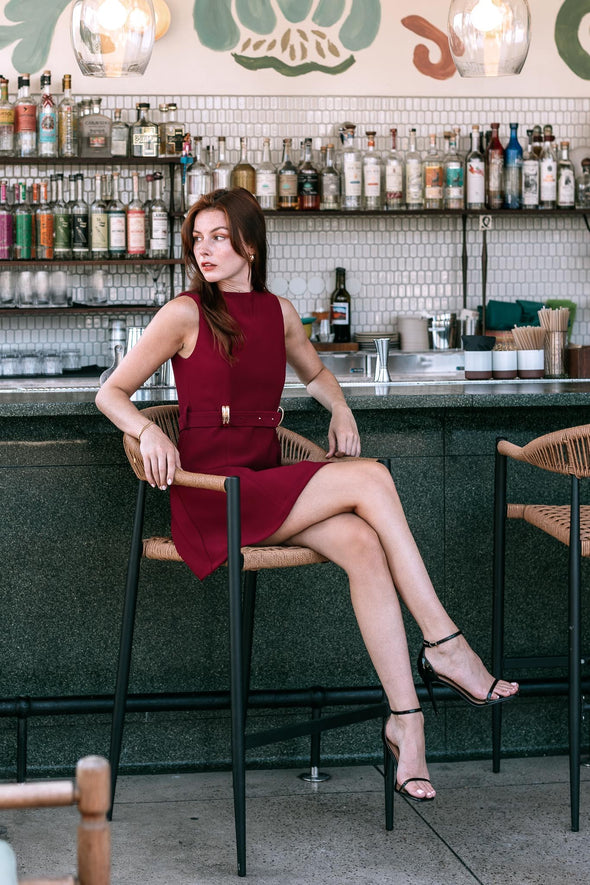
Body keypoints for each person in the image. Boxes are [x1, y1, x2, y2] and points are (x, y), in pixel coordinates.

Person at [96, 187, 518, 803]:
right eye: (197, 239)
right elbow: (110, 393)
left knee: (363, 544)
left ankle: (408, 724)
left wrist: (340, 407)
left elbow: (315, 372)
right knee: (371, 478)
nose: (204, 249)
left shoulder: (279, 313)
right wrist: (144, 432)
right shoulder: (184, 313)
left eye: (218, 236)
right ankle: (447, 646)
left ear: (250, 243)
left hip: (267, 484)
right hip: (215, 495)